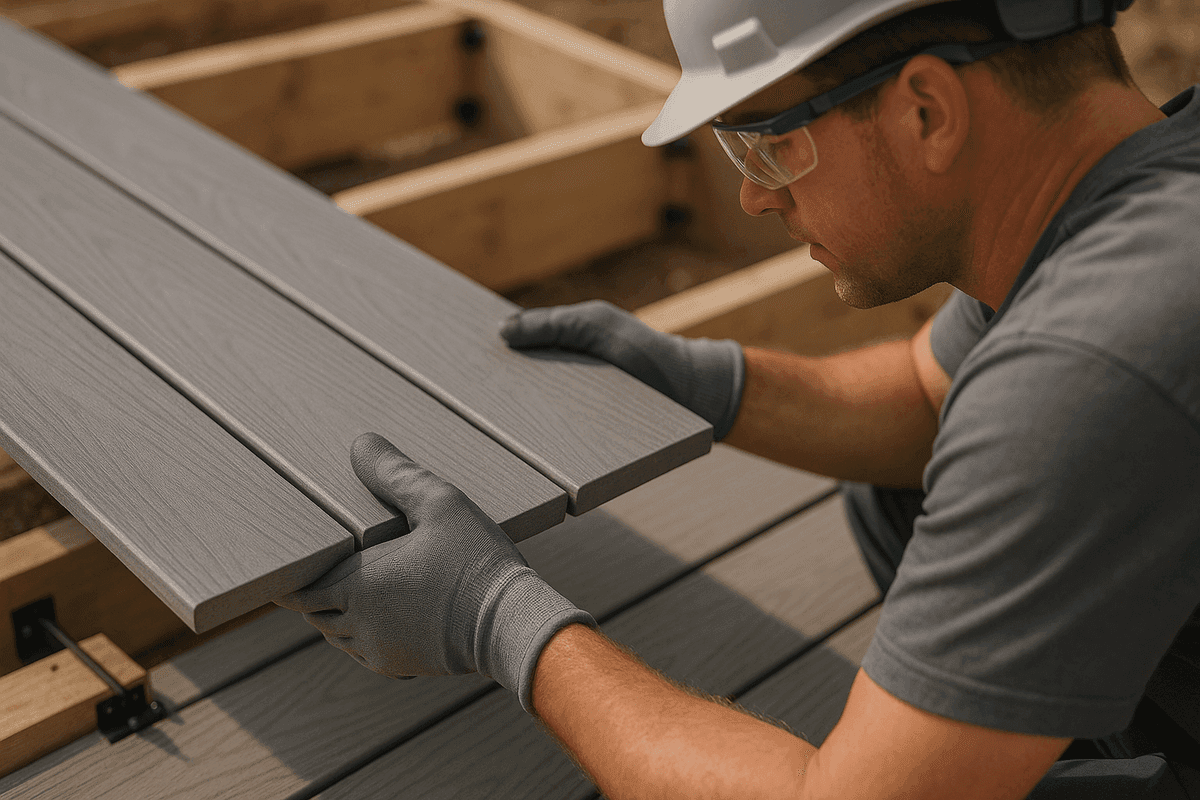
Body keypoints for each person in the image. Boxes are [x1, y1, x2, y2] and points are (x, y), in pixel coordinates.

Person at [276, 0, 1200, 796]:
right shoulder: (1139, 189)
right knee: (899, 497)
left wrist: (491, 614)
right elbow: (929, 394)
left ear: (927, 110)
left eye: (768, 145)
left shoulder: (1090, 361)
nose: (757, 199)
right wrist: (706, 382)